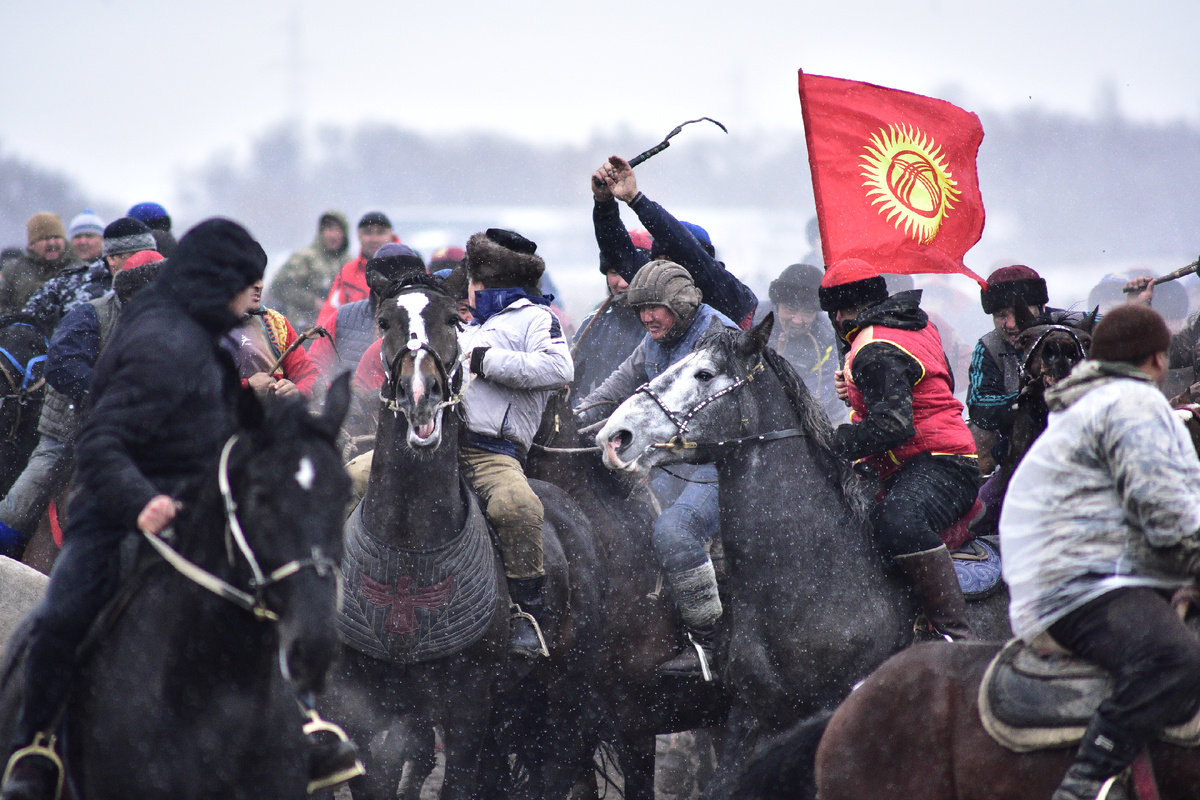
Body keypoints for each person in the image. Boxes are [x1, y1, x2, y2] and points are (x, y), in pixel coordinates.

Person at [0, 219, 357, 800]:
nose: (254, 297)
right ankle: (35, 753)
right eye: (248, 284)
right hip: (118, 510)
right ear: (219, 281)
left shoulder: (215, 339)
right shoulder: (158, 341)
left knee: (274, 587)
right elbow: (101, 442)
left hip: (198, 506)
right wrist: (142, 499)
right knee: (60, 617)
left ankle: (305, 723)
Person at [1001, 304, 1200, 800]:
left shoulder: (1100, 401)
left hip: (1097, 570)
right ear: (1157, 361)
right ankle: (1086, 784)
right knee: (1172, 660)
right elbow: (1164, 513)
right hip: (1081, 584)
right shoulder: (1130, 404)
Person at [577, 260, 741, 677]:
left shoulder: (719, 338)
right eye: (641, 309)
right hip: (670, 465)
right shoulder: (654, 340)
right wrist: (577, 419)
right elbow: (616, 387)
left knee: (674, 532)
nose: (647, 317)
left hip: (717, 466)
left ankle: (709, 643)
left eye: (656, 308)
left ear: (681, 305)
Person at [819, 259, 979, 641]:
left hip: (941, 464)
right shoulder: (915, 323)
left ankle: (952, 633)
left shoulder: (874, 346)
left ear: (839, 312)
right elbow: (931, 384)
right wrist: (857, 391)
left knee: (897, 522)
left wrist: (833, 442)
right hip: (921, 459)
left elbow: (893, 425)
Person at [0, 252, 165, 558]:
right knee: (14, 514)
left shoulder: (172, 328)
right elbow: (62, 365)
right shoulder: (90, 315)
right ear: (130, 291)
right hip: (65, 438)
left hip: (139, 443)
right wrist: (108, 398)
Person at [458, 229, 573, 659]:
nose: (466, 286)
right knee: (355, 478)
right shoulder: (464, 322)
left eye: (471, 277)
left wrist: (483, 360)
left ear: (484, 282)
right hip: (435, 445)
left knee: (518, 509)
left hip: (494, 453)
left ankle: (526, 614)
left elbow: (559, 368)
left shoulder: (537, 319)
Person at [591, 155, 758, 330]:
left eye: (674, 260)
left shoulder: (727, 291)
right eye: (660, 261)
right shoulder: (659, 284)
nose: (666, 270)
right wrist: (604, 203)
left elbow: (681, 244)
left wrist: (634, 198)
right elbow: (618, 252)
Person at [966, 264, 1080, 472]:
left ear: (1041, 308)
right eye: (1001, 315)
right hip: (1018, 442)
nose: (1010, 324)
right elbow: (980, 406)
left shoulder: (1075, 326)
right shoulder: (989, 348)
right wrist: (1027, 399)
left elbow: (1124, 331)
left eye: (1020, 312)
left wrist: (1138, 304)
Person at [308, 243, 426, 384]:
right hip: (352, 403)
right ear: (374, 282)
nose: (395, 290)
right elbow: (314, 365)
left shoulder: (431, 321)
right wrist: (333, 393)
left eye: (403, 283)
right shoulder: (343, 317)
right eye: (388, 281)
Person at [22, 217, 157, 333]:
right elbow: (24, 325)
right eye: (132, 255)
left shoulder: (165, 285)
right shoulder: (68, 283)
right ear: (111, 258)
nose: (142, 260)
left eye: (149, 254)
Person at [765, 263, 842, 421]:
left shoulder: (830, 339)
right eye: (791, 309)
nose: (797, 320)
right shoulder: (754, 321)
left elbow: (809, 400)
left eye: (807, 311)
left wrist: (779, 366)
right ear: (777, 305)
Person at [223, 280, 320, 399]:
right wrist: (246, 386)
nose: (259, 285)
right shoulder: (202, 325)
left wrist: (296, 391)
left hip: (272, 415)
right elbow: (199, 385)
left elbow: (308, 374)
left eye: (260, 277)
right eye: (250, 277)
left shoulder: (276, 322)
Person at [264, 210, 351, 331]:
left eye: (338, 230)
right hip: (303, 327)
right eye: (329, 229)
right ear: (321, 232)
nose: (333, 235)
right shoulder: (305, 258)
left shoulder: (349, 262)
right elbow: (280, 287)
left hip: (336, 328)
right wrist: (314, 302)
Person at [318, 211, 398, 319]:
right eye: (368, 232)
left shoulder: (410, 267)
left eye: (380, 232)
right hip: (357, 335)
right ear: (359, 236)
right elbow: (329, 316)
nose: (374, 239)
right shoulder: (347, 272)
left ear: (391, 235)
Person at [0, 214, 77, 314]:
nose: (52, 243)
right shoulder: (14, 271)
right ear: (32, 244)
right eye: (45, 238)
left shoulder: (79, 269)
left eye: (56, 237)